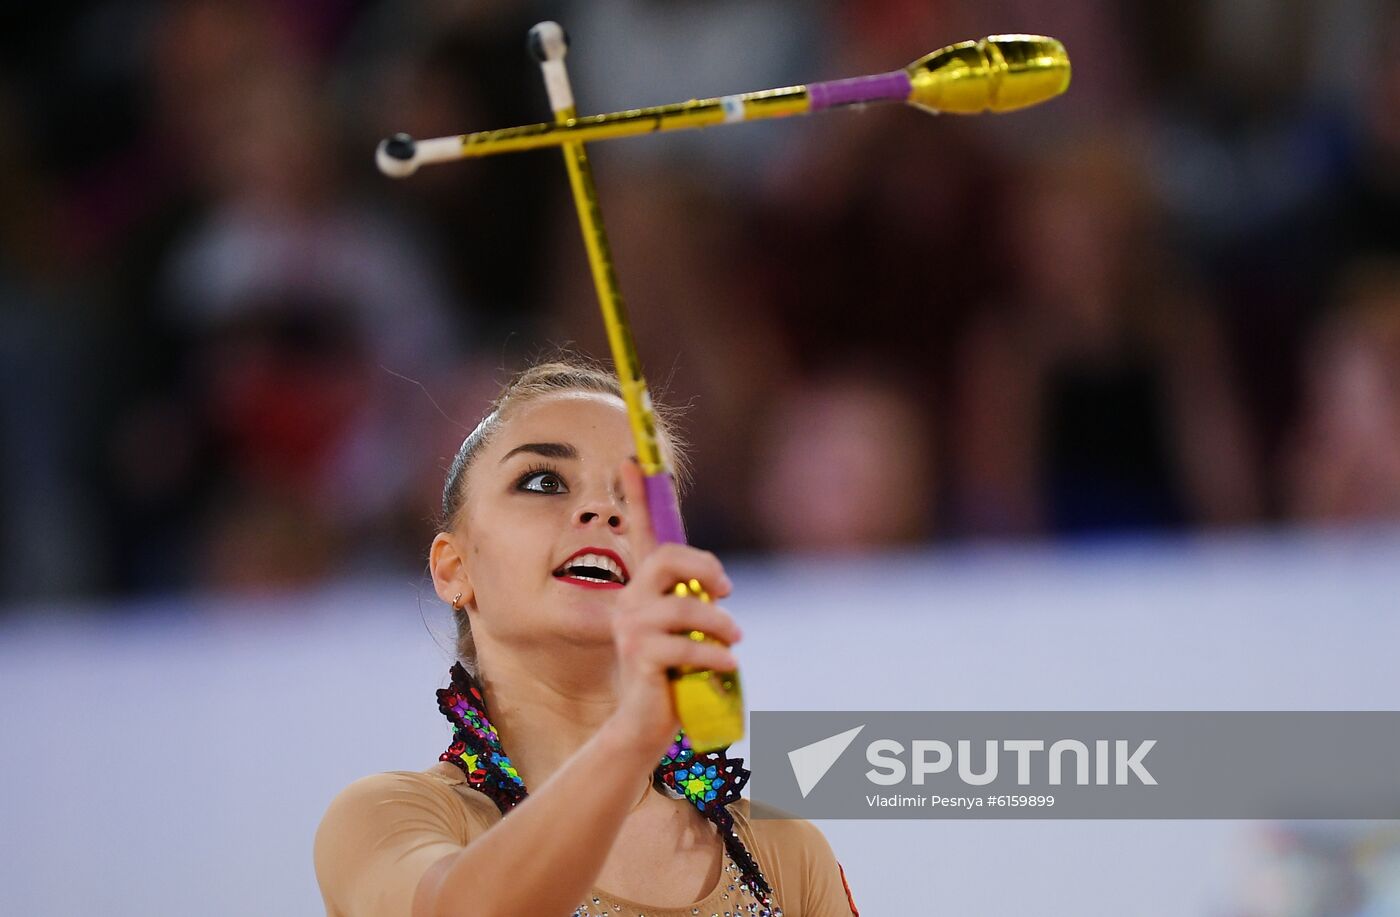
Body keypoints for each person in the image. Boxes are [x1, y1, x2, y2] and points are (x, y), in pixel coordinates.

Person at [314, 357, 860, 916]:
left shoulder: (782, 854)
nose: (602, 509)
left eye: (640, 496)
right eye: (544, 482)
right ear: (455, 568)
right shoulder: (387, 817)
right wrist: (631, 738)